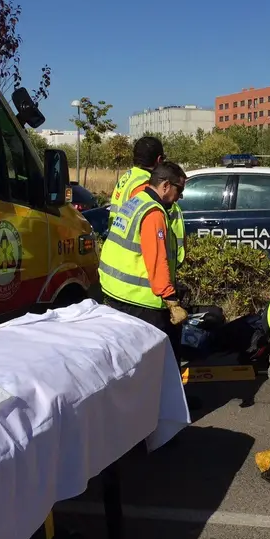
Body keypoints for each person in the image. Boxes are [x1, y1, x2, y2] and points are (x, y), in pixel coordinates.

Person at [99, 162, 189, 367]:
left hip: (116, 293)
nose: (179, 197)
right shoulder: (153, 213)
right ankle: (169, 389)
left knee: (131, 359)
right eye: (179, 190)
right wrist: (171, 301)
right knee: (163, 358)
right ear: (166, 186)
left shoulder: (135, 202)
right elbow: (157, 260)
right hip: (141, 301)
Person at [109, 136, 186, 265]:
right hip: (139, 260)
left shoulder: (129, 177)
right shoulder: (146, 184)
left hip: (123, 251)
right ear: (159, 160)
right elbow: (150, 225)